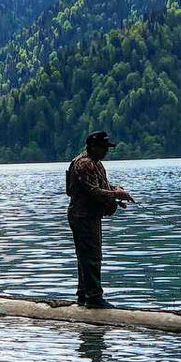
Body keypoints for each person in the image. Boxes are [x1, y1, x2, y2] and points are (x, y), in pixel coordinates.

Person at [65, 130, 135, 309]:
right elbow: (93, 191)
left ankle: (83, 295)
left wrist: (116, 190)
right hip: (82, 217)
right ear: (93, 147)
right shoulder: (84, 164)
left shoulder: (96, 164)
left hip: (90, 216)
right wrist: (116, 194)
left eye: (107, 148)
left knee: (87, 257)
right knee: (91, 257)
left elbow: (102, 187)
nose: (106, 151)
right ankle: (94, 298)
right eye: (103, 147)